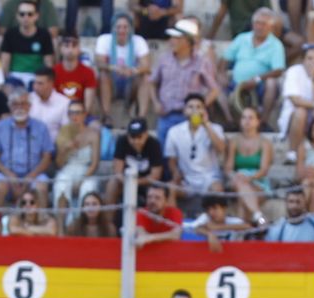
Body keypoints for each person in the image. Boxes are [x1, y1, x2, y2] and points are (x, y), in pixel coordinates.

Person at [146, 17, 216, 146]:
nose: (171, 41)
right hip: (166, 116)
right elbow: (152, 82)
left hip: (189, 118)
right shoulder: (164, 59)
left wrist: (198, 107)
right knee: (164, 152)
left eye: (176, 38)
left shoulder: (201, 62)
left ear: (187, 41)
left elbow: (214, 90)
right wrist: (156, 103)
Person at [219, 7, 284, 126]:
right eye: (257, 23)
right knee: (215, 84)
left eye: (263, 24)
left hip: (259, 86)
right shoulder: (242, 38)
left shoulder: (276, 45)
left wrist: (257, 79)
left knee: (272, 83)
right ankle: (229, 121)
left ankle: (263, 122)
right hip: (236, 83)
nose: (259, 27)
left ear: (271, 27)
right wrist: (222, 73)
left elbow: (278, 70)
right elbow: (225, 58)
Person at [0, 89, 53, 205]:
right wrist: (10, 175)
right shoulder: (0, 127)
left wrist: (30, 177)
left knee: (41, 186)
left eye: (23, 104)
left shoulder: (41, 127)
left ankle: (42, 216)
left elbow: (47, 157)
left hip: (34, 174)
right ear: (9, 107)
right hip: (6, 174)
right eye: (15, 104)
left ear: (30, 106)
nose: (19, 107)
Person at [163, 91, 225, 206]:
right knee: (170, 187)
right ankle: (173, 217)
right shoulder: (174, 131)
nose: (194, 110)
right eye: (190, 107)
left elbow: (221, 149)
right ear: (184, 111)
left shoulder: (215, 128)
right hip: (187, 179)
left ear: (204, 110)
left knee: (217, 189)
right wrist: (176, 173)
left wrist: (206, 124)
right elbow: (171, 160)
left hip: (209, 178)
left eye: (198, 107)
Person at [94, 13, 149, 119]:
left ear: (131, 29)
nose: (121, 30)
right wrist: (115, 68)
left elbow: (146, 66)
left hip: (131, 82)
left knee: (145, 77)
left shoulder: (139, 40)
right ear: (113, 28)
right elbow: (99, 63)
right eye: (118, 27)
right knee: (103, 74)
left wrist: (133, 70)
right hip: (112, 82)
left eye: (125, 27)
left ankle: (141, 118)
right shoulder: (104, 39)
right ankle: (106, 115)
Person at [279, 43, 314, 144]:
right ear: (303, 60)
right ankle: (293, 151)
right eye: (310, 58)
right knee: (301, 112)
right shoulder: (293, 71)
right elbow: (295, 100)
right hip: (294, 114)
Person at [51, 98, 98, 213]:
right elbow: (59, 164)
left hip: (86, 171)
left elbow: (94, 164)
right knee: (61, 184)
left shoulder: (93, 134)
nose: (74, 116)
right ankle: (61, 222)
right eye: (71, 113)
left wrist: (81, 180)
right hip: (67, 170)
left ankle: (82, 221)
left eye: (78, 112)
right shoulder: (63, 132)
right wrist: (65, 149)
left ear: (84, 114)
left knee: (88, 186)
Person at [226, 106, 271, 224]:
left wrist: (249, 178)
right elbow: (228, 168)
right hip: (237, 179)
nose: (247, 121)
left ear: (258, 121)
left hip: (258, 180)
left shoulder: (265, 142)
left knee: (242, 198)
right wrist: (234, 176)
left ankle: (242, 230)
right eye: (244, 117)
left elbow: (264, 170)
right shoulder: (234, 141)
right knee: (240, 183)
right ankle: (258, 216)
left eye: (251, 118)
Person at [108, 117, 163, 202]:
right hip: (126, 181)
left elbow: (156, 175)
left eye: (139, 136)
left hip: (147, 182)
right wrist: (128, 182)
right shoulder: (122, 141)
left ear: (146, 135)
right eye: (133, 137)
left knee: (159, 191)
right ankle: (109, 210)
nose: (136, 141)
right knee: (113, 183)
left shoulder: (154, 144)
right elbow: (118, 171)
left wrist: (136, 182)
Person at [0, 0, 54, 87]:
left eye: (30, 14)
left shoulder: (44, 35)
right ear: (17, 16)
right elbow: (5, 63)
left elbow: (48, 63)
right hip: (15, 76)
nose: (26, 17)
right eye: (22, 14)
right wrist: (4, 82)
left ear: (36, 16)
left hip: (36, 77)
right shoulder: (10, 34)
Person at [52, 34, 97, 113]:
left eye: (74, 46)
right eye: (66, 46)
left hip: (80, 113)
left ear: (79, 49)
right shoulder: (53, 72)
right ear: (60, 49)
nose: (70, 50)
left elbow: (88, 106)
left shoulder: (88, 72)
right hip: (58, 113)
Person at [135, 181, 181, 246]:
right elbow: (142, 235)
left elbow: (176, 235)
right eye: (149, 197)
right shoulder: (141, 213)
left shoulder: (175, 212)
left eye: (157, 198)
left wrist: (150, 238)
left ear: (166, 201)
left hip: (170, 251)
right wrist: (164, 237)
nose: (152, 201)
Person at [28, 66, 70, 136]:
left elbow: (66, 131)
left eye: (40, 83)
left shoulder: (64, 103)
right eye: (35, 83)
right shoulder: (28, 99)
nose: (35, 87)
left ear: (51, 83)